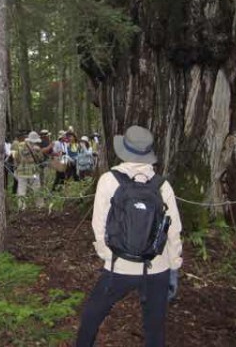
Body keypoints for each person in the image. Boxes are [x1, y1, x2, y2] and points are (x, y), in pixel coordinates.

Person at [76, 125, 183, 347]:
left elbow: (99, 225)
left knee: (91, 316)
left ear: (124, 150)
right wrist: (173, 265)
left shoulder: (108, 180)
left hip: (119, 266)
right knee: (154, 328)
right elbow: (173, 230)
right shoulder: (162, 185)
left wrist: (107, 256)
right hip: (157, 267)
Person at [15, 131, 46, 209]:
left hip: (21, 172)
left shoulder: (20, 146)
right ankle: (39, 205)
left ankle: (21, 207)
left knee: (21, 190)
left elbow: (16, 158)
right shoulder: (37, 148)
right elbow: (41, 159)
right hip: (33, 172)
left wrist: (17, 167)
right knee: (37, 188)